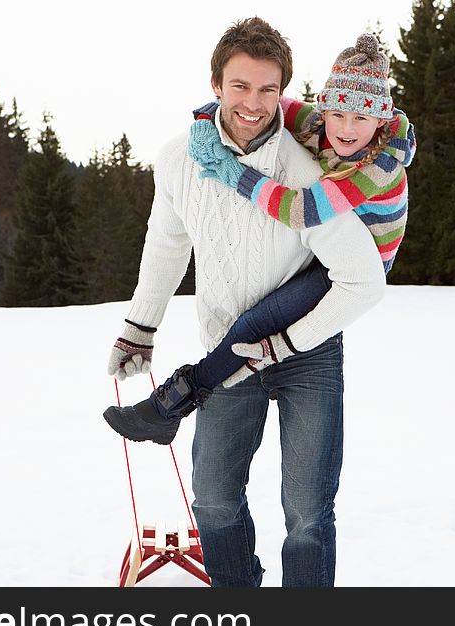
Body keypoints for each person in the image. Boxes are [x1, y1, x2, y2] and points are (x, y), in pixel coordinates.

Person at [105, 18, 386, 587]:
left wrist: (286, 342)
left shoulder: (307, 175)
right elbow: (167, 242)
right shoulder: (179, 158)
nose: (253, 103)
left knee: (307, 513)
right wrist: (140, 326)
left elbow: (364, 278)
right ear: (216, 84)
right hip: (226, 351)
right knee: (212, 503)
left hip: (306, 353)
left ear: (282, 91)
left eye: (266, 89)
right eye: (240, 86)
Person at [104, 33, 415, 445]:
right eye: (339, 114)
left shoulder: (379, 166)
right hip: (308, 264)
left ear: (381, 121)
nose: (346, 128)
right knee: (251, 326)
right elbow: (254, 105)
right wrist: (203, 123)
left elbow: (302, 211)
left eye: (362, 119)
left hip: (362, 262)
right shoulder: (318, 122)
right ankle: (168, 408)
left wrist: (234, 175)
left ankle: (169, 406)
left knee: (255, 323)